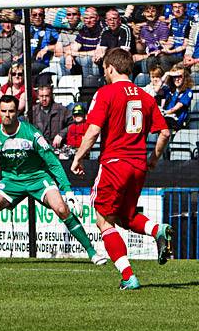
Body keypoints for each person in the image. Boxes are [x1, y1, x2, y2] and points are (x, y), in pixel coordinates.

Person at [0, 95, 107, 266]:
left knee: (62, 209)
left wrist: (68, 190)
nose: (7, 115)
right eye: (4, 111)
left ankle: (93, 253)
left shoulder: (31, 133)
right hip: (11, 182)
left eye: (11, 111)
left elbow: (52, 162)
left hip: (38, 178)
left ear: (17, 112)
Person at [71, 47, 172, 290]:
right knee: (125, 217)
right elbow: (165, 132)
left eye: (105, 70)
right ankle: (158, 229)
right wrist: (154, 159)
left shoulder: (106, 93)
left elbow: (93, 131)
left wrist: (78, 157)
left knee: (103, 221)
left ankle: (128, 276)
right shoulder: (146, 97)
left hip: (115, 163)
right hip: (138, 166)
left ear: (110, 68)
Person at [64, 7, 103, 78]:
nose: (88, 21)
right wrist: (69, 55)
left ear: (97, 18)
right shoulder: (83, 30)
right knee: (63, 59)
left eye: (91, 18)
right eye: (86, 18)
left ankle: (88, 86)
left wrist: (76, 53)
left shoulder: (103, 30)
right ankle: (69, 86)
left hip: (98, 61)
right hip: (84, 58)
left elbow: (97, 52)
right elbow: (73, 48)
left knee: (86, 59)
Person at [160, 65, 194, 130]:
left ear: (185, 78)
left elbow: (175, 109)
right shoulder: (168, 89)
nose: (177, 79)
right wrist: (166, 74)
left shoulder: (188, 92)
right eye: (174, 77)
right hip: (165, 117)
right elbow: (157, 88)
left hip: (176, 122)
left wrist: (162, 113)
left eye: (180, 77)